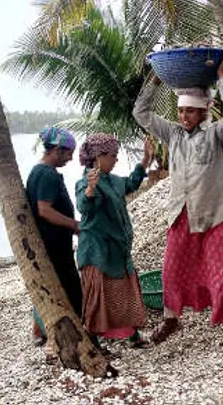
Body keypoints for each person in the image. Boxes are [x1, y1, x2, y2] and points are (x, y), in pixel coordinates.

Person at [132, 51, 223, 373]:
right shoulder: (172, 135)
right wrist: (155, 80)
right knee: (171, 271)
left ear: (203, 112)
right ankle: (172, 320)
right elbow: (140, 112)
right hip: (179, 216)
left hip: (215, 218)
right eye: (181, 110)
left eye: (190, 112)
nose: (183, 116)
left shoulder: (217, 137)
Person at [75, 134, 155, 352]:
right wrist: (90, 190)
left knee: (123, 294)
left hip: (117, 251)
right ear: (98, 157)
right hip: (97, 252)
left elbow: (131, 184)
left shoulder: (112, 180)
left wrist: (146, 160)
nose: (116, 160)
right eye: (113, 156)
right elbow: (84, 206)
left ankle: (132, 334)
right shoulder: (85, 182)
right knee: (98, 299)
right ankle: (92, 341)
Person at [26, 126, 81, 348]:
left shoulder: (38, 171)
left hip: (52, 242)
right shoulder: (47, 174)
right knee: (71, 289)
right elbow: (44, 210)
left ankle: (41, 331)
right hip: (54, 245)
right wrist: (74, 224)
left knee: (54, 286)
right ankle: (75, 335)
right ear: (57, 150)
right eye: (68, 153)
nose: (70, 158)